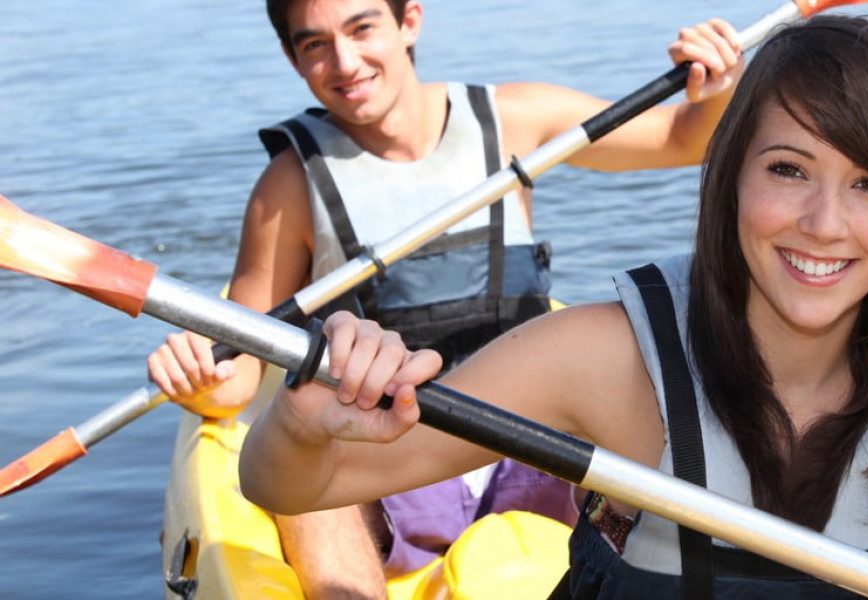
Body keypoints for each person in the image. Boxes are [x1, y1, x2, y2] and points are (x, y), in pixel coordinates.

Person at [238, 14, 868, 599]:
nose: (825, 225)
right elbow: (284, 484)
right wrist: (300, 425)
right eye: (788, 170)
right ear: (730, 182)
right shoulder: (602, 358)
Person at [147, 0, 745, 596]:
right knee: (305, 484)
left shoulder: (513, 119)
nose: (346, 62)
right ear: (292, 58)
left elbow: (686, 138)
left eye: (362, 29)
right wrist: (198, 375)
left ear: (410, 21)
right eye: (315, 45)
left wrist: (716, 85)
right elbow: (240, 365)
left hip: (529, 431)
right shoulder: (287, 187)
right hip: (391, 447)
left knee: (644, 413)